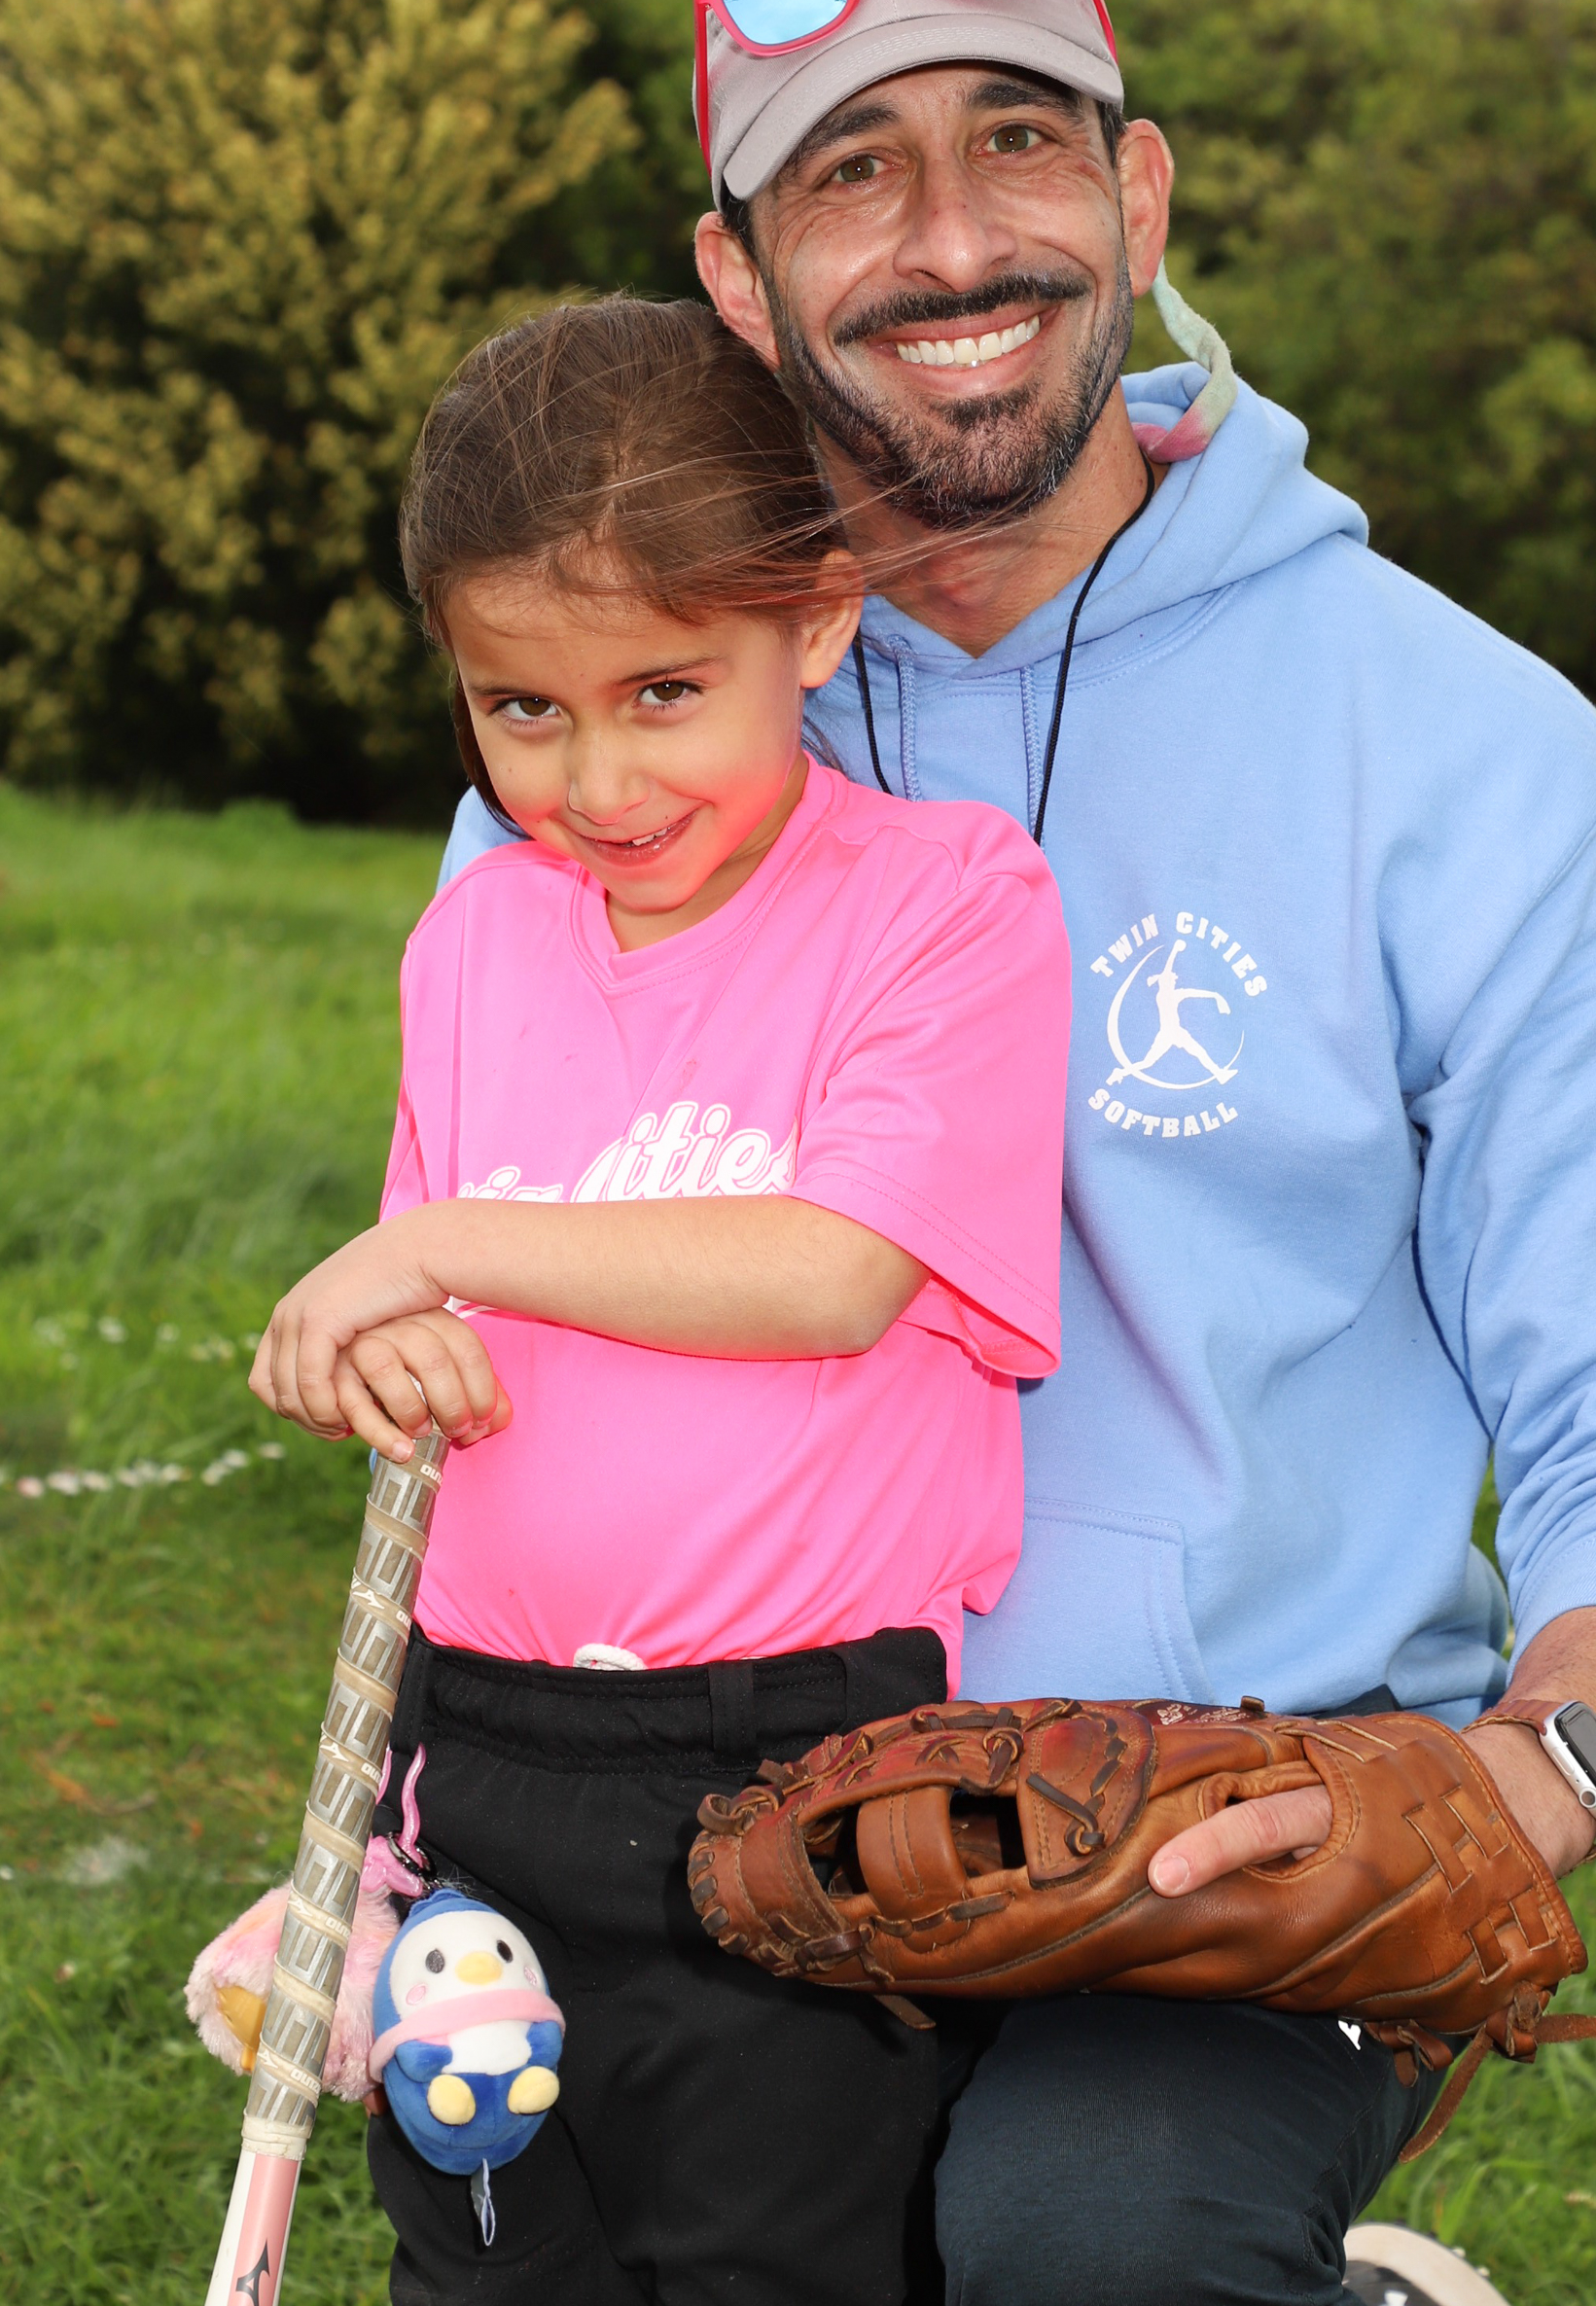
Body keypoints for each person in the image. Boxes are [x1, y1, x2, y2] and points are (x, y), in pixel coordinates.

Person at [438, 0, 1596, 2306]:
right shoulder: (616, 774)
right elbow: (495, 1352)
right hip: (698, 1788)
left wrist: (1526, 1772)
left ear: (1142, 197)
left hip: (1227, 1821)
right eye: (849, 172)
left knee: (1079, 2243)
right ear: (738, 280)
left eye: (1017, 141)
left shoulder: (1474, 754)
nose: (952, 236)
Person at [250, 296, 1072, 2305]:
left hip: (794, 1772)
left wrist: (442, 1248)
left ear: (820, 618)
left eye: (664, 690)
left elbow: (836, 1268)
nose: (600, 777)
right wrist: (390, 1343)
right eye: (523, 709)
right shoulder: (479, 940)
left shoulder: (947, 905)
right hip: (484, 1748)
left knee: (769, 2259)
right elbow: (430, 1319)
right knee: (489, 2256)